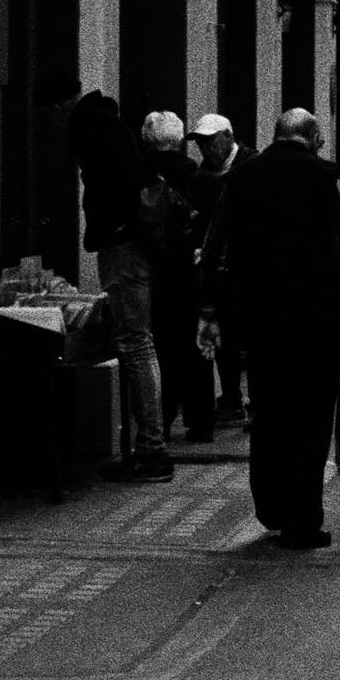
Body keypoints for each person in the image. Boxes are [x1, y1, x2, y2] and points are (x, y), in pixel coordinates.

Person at [198, 108, 340, 549]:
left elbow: (215, 244)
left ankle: (270, 505)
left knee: (270, 410)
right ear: (312, 138)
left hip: (258, 319)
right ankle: (302, 519)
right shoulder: (327, 177)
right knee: (310, 419)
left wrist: (210, 310)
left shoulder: (242, 177)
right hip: (316, 321)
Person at [42, 70, 172, 483]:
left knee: (135, 342)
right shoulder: (109, 122)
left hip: (124, 246)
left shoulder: (92, 128)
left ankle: (152, 449)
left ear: (61, 106)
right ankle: (149, 446)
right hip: (131, 243)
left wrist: (107, 228)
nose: (54, 125)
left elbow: (115, 187)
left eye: (51, 115)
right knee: (138, 341)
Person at [139, 111, 214, 445]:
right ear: (182, 140)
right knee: (196, 348)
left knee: (161, 348)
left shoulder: (141, 176)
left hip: (155, 270)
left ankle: (162, 420)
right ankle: (201, 421)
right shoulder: (198, 177)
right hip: (192, 270)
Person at [185, 115, 250, 425]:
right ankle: (232, 399)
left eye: (210, 141)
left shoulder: (249, 165)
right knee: (223, 332)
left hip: (245, 264)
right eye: (200, 143)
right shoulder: (204, 174)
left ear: (228, 136)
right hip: (217, 268)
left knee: (246, 335)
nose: (205, 149)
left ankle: (250, 400)